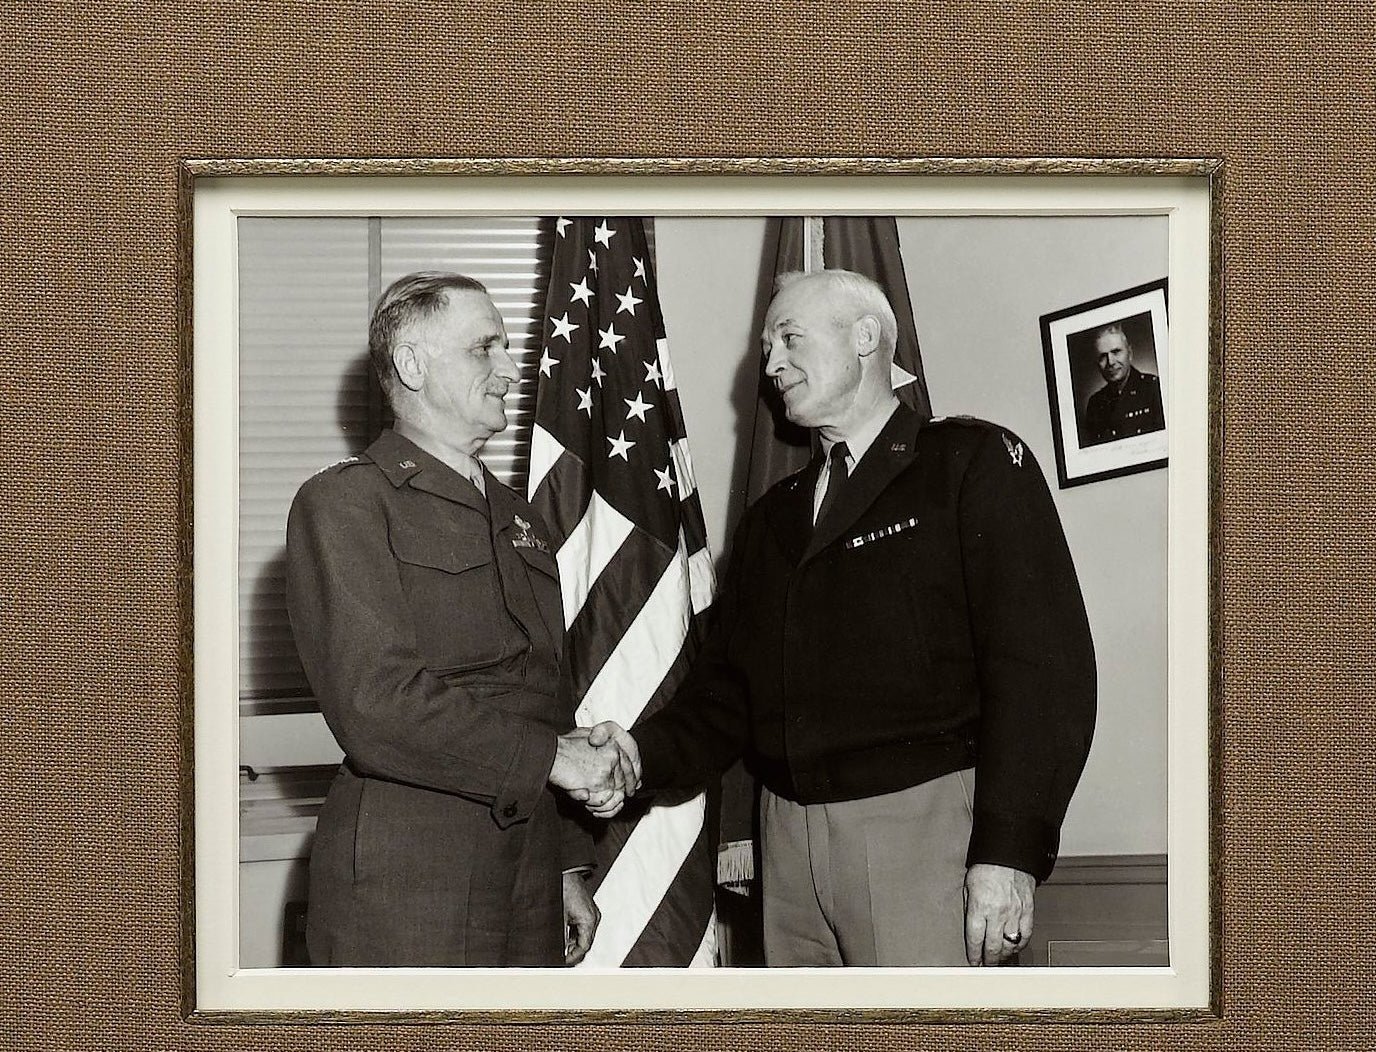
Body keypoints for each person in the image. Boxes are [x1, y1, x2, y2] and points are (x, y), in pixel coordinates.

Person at [590, 269, 1097, 967]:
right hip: (786, 848)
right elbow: (726, 696)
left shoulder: (967, 464)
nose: (769, 365)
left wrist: (1009, 851)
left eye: (789, 338)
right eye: (768, 346)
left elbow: (1042, 669)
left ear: (865, 337)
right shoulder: (773, 518)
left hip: (919, 834)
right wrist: (638, 755)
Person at [286, 271, 632, 968]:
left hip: (528, 870)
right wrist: (557, 760)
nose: (510, 369)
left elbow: (543, 695)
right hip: (410, 870)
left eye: (507, 349)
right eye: (485, 349)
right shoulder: (347, 502)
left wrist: (565, 867)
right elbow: (375, 702)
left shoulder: (519, 518)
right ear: (412, 365)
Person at [1080, 322, 1165, 445]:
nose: (1110, 362)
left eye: (1116, 352)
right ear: (1097, 364)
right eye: (1102, 357)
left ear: (1129, 353)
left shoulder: (1154, 389)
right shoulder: (1095, 403)